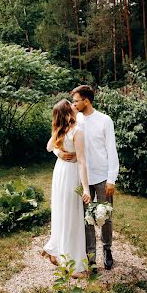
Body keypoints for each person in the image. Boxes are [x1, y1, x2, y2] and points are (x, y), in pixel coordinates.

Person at [57, 85, 119, 270]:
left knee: (105, 216)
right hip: (80, 177)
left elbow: (112, 150)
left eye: (76, 101)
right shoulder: (74, 120)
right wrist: (59, 153)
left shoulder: (104, 120)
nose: (74, 104)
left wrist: (111, 179)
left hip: (101, 177)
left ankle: (107, 249)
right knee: (86, 219)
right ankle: (90, 257)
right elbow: (59, 138)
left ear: (87, 100)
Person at [41, 98, 91, 274]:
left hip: (60, 173)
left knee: (63, 212)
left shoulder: (60, 129)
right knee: (70, 215)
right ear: (67, 112)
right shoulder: (76, 131)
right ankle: (71, 262)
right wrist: (86, 188)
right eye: (71, 104)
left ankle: (57, 251)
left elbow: (49, 147)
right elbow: (82, 162)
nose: (73, 105)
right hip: (69, 174)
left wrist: (58, 152)